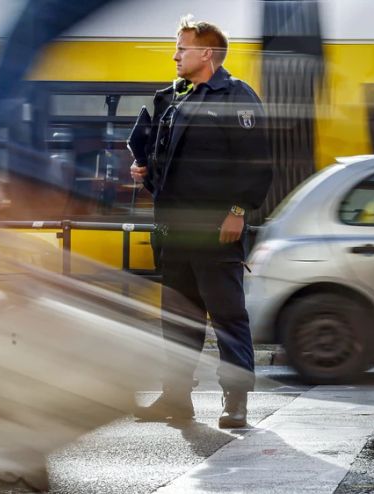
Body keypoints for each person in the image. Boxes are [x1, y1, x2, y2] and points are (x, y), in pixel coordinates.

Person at [129, 16, 272, 428]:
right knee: (177, 320)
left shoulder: (235, 96)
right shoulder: (171, 99)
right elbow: (163, 162)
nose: (175, 55)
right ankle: (176, 398)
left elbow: (257, 164)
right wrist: (144, 171)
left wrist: (239, 211)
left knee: (227, 317)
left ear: (206, 53)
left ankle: (236, 401)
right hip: (174, 232)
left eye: (182, 48)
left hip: (215, 231)